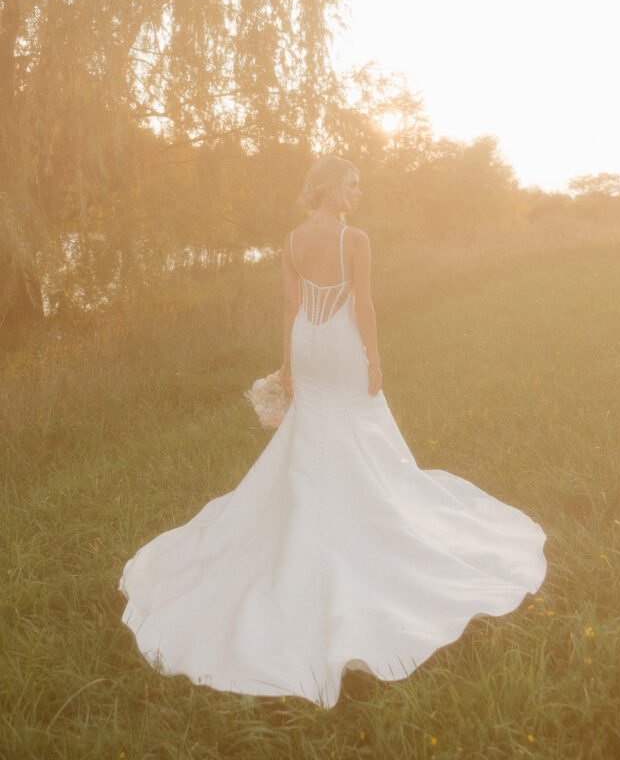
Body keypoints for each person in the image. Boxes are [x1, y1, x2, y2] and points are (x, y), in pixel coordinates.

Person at [119, 155, 546, 709]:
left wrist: (287, 365)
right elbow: (362, 303)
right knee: (353, 422)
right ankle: (364, 508)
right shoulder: (356, 240)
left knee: (313, 425)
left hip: (306, 341)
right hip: (342, 343)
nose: (358, 192)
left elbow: (291, 305)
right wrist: (374, 359)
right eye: (352, 184)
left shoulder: (293, 240)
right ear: (330, 188)